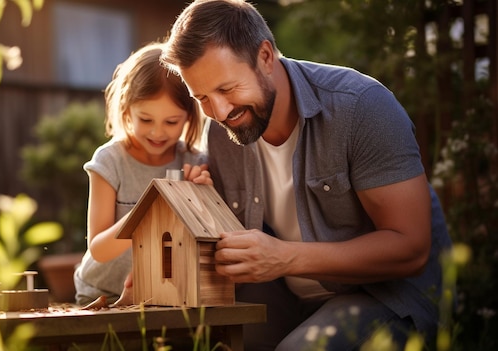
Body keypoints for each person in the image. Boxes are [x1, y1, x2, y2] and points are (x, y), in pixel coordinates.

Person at [160, 0, 452, 350]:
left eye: (227, 89)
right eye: (202, 97)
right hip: (284, 294)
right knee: (189, 341)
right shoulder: (221, 131)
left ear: (265, 57)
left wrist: (284, 257)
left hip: (386, 295)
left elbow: (411, 247)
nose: (219, 111)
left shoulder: (361, 107)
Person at [73, 42, 211, 306]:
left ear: (189, 117)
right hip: (101, 293)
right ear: (126, 109)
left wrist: (200, 197)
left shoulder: (193, 162)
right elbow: (99, 249)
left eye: (171, 122)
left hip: (164, 296)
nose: (158, 133)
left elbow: (201, 245)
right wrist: (148, 212)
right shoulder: (110, 161)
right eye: (145, 120)